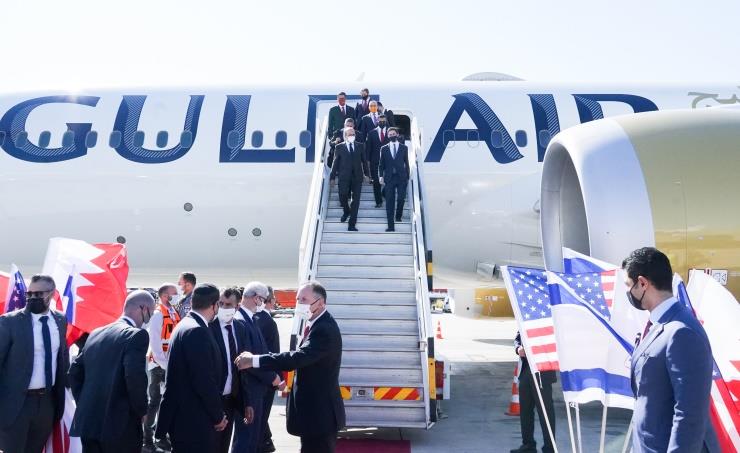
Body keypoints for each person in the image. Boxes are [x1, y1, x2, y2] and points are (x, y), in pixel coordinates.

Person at [624, 247, 717, 452]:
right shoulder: (660, 324)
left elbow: (689, 413)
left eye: (629, 286)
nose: (628, 293)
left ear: (643, 283)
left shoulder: (681, 332)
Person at [236, 281, 345, 453]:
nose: (299, 304)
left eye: (304, 300)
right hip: (312, 414)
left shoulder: (324, 329)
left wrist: (254, 360)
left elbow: (297, 358)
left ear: (321, 302)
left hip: (320, 414)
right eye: (298, 299)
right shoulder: (315, 323)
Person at [68, 290, 154, 453]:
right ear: (143, 309)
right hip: (120, 425)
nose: (148, 320)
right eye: (150, 314)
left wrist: (85, 402)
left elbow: (74, 372)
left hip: (89, 421)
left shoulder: (96, 333)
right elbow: (134, 376)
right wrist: (142, 410)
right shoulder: (137, 335)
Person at [156, 283, 228, 453]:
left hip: (185, 418)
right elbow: (203, 380)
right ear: (214, 305)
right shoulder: (197, 331)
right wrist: (218, 416)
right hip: (195, 421)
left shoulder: (185, 325)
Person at [0, 275, 69, 453]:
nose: (31, 298)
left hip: (47, 403)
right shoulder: (10, 322)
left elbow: (62, 357)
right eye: (29, 294)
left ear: (51, 294)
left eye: (37, 294)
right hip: (16, 405)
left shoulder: (60, 320)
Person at [234, 282, 282, 453]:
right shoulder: (242, 321)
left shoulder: (251, 319)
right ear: (256, 298)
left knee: (252, 440)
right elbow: (245, 361)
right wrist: (272, 377)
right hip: (249, 391)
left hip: (256, 390)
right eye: (263, 299)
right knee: (246, 441)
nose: (264, 303)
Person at [209, 288, 255, 453]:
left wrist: (247, 402)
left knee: (224, 446)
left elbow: (243, 369)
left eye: (228, 305)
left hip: (231, 400)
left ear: (237, 306)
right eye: (221, 303)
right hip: (213, 400)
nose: (223, 307)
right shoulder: (208, 328)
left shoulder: (240, 328)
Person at [143, 283, 182, 452]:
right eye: (175, 293)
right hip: (159, 366)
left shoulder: (173, 312)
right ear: (165, 295)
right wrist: (166, 365)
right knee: (154, 403)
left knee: (166, 403)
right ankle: (147, 440)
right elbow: (155, 344)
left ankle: (162, 436)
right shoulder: (158, 314)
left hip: (169, 364)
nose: (178, 295)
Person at [510, 332, 556, 453]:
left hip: (543, 368)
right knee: (525, 409)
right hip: (526, 368)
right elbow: (518, 337)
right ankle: (528, 444)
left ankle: (550, 448)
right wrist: (518, 349)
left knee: (545, 411)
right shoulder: (524, 320)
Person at [255, 286, 281, 453]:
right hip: (267, 378)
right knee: (261, 416)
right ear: (269, 301)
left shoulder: (253, 319)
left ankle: (266, 440)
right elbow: (273, 353)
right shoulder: (268, 322)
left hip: (255, 376)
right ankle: (263, 443)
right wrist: (277, 378)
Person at [330, 127, 370, 231]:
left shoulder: (360, 146)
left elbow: (364, 161)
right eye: (350, 134)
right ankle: (346, 211)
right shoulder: (339, 147)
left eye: (353, 134)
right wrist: (332, 177)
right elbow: (335, 163)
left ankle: (352, 224)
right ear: (345, 136)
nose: (352, 136)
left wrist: (367, 174)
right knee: (342, 196)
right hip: (344, 176)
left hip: (357, 177)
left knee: (355, 201)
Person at [378, 128, 410, 231]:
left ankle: (398, 216)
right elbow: (381, 164)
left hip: (401, 177)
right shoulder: (384, 148)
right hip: (389, 178)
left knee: (401, 198)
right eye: (390, 134)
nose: (392, 135)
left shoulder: (404, 148)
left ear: (397, 134)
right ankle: (390, 226)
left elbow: (407, 163)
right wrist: (381, 176)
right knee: (389, 202)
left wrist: (408, 176)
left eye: (393, 134)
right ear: (388, 136)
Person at [364, 114, 390, 207]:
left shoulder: (390, 132)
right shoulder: (371, 133)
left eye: (384, 121)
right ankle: (378, 202)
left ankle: (384, 193)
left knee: (389, 180)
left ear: (386, 121)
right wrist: (367, 162)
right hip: (375, 162)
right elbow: (368, 149)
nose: (382, 122)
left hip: (388, 161)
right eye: (380, 121)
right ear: (377, 121)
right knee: (376, 182)